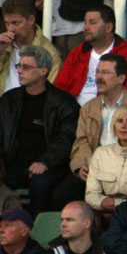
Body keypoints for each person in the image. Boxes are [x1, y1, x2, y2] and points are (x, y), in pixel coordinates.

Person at [54, 53, 127, 210]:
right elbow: (81, 142)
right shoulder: (88, 108)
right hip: (94, 168)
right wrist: (82, 166)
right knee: (63, 192)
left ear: (121, 78)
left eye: (106, 73)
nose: (99, 77)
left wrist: (112, 169)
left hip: (126, 172)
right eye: (98, 72)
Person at [0, 45, 78, 216]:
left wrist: (45, 162)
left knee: (40, 184)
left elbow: (66, 139)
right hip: (12, 164)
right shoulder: (9, 100)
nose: (20, 71)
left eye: (26, 67)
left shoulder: (63, 102)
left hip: (50, 167)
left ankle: (36, 228)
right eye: (19, 66)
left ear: (43, 71)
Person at [54, 5, 127, 104]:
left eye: (92, 23)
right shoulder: (77, 53)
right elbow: (60, 88)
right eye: (85, 23)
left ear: (108, 27)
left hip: (111, 111)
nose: (86, 28)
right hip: (73, 112)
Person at [0, 0, 61, 94]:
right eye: (7, 23)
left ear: (31, 20)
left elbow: (49, 94)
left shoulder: (49, 54)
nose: (10, 29)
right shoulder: (3, 44)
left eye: (16, 23)